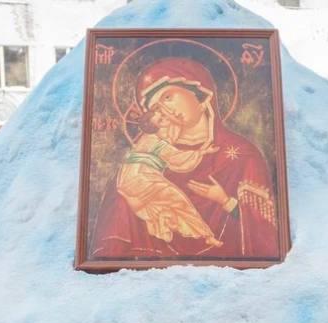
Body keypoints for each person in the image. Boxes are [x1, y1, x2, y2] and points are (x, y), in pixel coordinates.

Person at [90, 56, 280, 261]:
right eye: (154, 108)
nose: (164, 110)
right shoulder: (142, 165)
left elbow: (264, 236)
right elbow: (111, 250)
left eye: (167, 97)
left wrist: (225, 201)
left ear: (202, 95)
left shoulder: (243, 156)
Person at [116, 105, 223, 250]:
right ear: (157, 126)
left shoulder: (149, 138)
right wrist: (202, 152)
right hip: (141, 179)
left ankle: (196, 232)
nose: (165, 118)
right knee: (179, 200)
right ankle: (207, 236)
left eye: (163, 116)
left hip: (133, 178)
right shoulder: (156, 142)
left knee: (170, 204)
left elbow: (173, 138)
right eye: (161, 119)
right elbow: (177, 158)